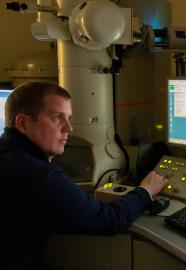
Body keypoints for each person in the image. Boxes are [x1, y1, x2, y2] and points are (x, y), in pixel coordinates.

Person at [0, 82, 169, 269]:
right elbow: (110, 220)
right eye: (57, 117)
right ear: (23, 123)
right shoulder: (39, 175)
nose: (69, 128)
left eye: (69, 118)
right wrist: (146, 190)